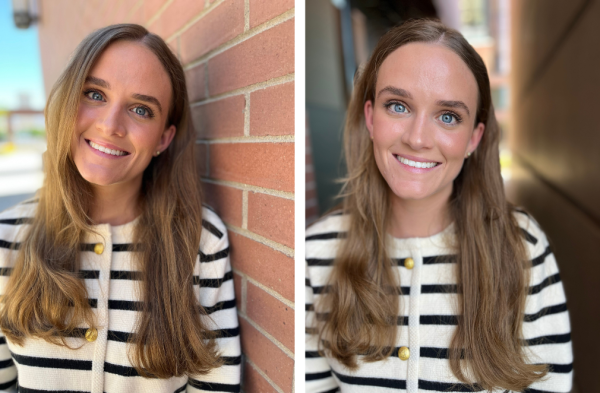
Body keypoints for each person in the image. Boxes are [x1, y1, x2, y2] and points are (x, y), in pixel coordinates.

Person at [305, 19, 572, 393]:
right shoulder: (316, 252)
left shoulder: (523, 246)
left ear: (473, 138)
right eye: (397, 106)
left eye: (448, 116)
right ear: (369, 117)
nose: (417, 138)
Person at [0, 24, 240, 393]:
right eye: (94, 94)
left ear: (163, 138)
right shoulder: (7, 236)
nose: (111, 125)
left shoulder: (201, 242)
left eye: (141, 109)